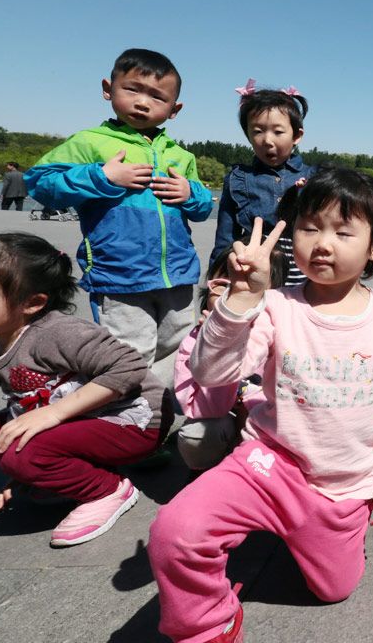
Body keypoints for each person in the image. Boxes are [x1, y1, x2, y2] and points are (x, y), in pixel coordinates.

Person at [148, 167, 373, 643]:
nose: (322, 244)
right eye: (309, 228)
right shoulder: (275, 305)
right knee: (175, 530)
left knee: (334, 589)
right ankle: (206, 623)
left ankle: (323, 534)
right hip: (269, 462)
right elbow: (212, 373)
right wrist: (240, 301)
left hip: (343, 480)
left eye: (342, 232)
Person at [25, 49, 213, 391]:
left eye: (157, 97)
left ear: (174, 109)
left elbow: (201, 210)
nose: (142, 102)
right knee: (129, 355)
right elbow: (40, 183)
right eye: (132, 89)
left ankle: (157, 410)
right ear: (108, 89)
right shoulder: (90, 142)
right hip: (120, 275)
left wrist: (191, 193)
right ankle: (129, 413)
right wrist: (102, 176)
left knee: (180, 350)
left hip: (177, 275)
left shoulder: (180, 155)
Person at [0, 233, 167, 546]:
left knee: (22, 454)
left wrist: (54, 414)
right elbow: (26, 405)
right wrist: (22, 475)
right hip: (83, 416)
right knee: (5, 443)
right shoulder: (3, 346)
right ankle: (58, 469)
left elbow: (129, 366)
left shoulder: (58, 332)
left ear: (33, 303)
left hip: (133, 419)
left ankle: (107, 490)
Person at [173, 241, 286, 472]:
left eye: (250, 288)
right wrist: (219, 346)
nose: (232, 297)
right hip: (220, 420)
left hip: (263, 423)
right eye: (222, 286)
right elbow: (201, 409)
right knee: (196, 435)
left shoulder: (279, 335)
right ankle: (206, 471)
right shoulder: (195, 340)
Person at [209, 80, 316, 286]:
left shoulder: (314, 177)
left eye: (278, 132)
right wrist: (217, 284)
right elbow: (225, 238)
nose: (267, 140)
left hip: (305, 280)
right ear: (248, 135)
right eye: (258, 131)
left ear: (297, 135)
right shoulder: (238, 179)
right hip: (256, 277)